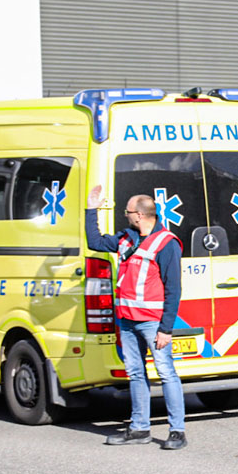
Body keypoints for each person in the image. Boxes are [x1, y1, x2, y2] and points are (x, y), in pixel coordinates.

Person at [86, 183, 187, 449]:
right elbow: (94, 242)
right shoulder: (126, 238)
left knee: (166, 373)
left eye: (127, 211)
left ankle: (177, 431)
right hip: (127, 320)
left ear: (140, 215)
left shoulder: (166, 244)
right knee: (135, 373)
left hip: (152, 322)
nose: (125, 215)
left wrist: (166, 328)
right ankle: (139, 429)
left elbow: (173, 289)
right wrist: (90, 210)